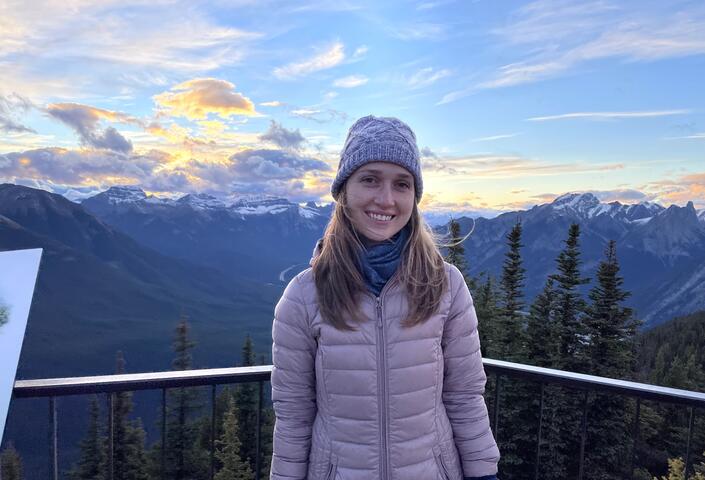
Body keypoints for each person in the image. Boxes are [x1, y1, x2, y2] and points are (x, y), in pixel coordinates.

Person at [270, 115, 500, 480]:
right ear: (344, 190)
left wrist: (484, 473)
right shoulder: (303, 296)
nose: (387, 199)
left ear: (414, 197)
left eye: (402, 184)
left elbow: (465, 396)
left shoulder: (447, 287)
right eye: (370, 179)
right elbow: (294, 414)